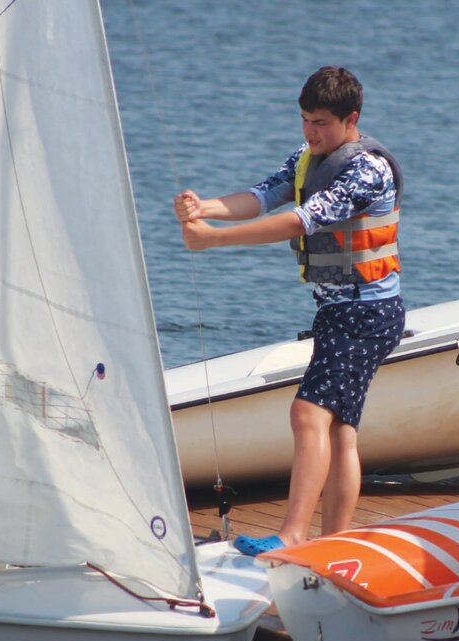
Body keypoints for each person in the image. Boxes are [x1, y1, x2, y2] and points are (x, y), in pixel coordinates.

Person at [173, 66, 405, 556]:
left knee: (307, 413)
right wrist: (207, 208)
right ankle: (334, 541)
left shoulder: (369, 170)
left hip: (368, 314)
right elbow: (262, 197)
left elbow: (301, 221)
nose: (309, 132)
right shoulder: (307, 156)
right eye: (304, 119)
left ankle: (294, 535)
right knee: (340, 429)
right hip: (338, 313)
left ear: (351, 119)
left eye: (320, 122)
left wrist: (213, 242)